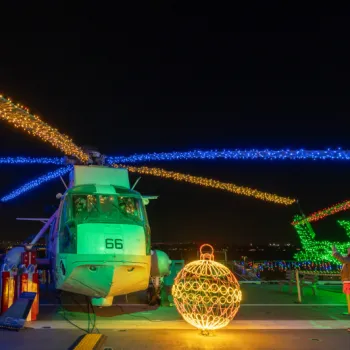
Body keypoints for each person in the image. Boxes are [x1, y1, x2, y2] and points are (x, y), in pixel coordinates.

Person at [332, 244, 350, 316]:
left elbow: (342, 259)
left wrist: (335, 252)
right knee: (348, 297)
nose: (348, 250)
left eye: (349, 249)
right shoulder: (348, 257)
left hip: (349, 281)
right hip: (347, 281)